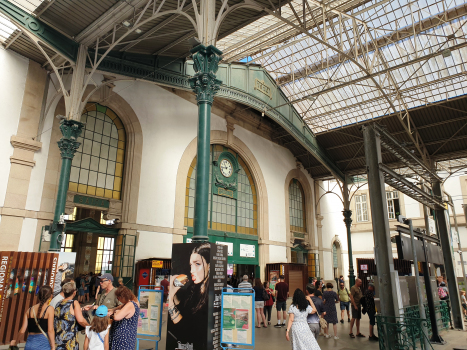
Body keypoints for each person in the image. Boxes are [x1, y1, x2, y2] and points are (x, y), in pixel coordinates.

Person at [167, 243, 211, 349]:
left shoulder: (210, 295)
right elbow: (183, 309)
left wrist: (170, 302)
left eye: (197, 264)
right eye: (191, 265)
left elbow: (186, 330)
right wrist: (174, 294)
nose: (192, 271)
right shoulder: (193, 287)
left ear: (209, 266)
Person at [9, 286, 55, 350]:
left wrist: (16, 342)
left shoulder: (29, 310)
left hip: (29, 344)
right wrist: (53, 347)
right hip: (43, 344)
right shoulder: (50, 309)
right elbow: (50, 330)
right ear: (51, 296)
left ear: (38, 295)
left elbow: (22, 330)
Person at [54, 281, 90, 350]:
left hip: (58, 340)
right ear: (74, 292)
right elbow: (81, 320)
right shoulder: (74, 303)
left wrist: (81, 309)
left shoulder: (58, 303)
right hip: (69, 342)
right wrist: (89, 326)